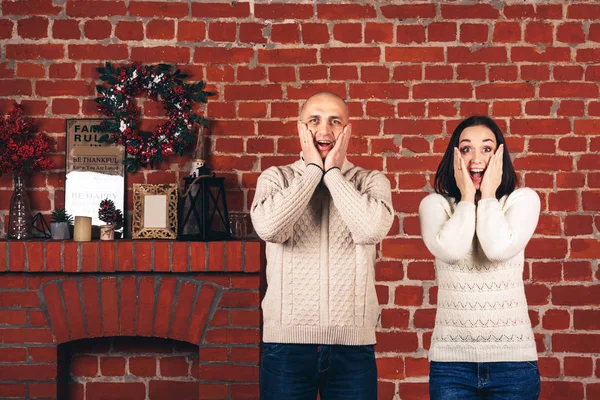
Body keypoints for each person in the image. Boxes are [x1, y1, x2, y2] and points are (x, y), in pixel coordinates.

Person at [251, 92, 394, 400]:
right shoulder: (276, 178)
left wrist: (332, 174)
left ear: (347, 131)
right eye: (314, 121)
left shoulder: (371, 181)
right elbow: (270, 228)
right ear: (301, 128)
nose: (324, 131)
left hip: (353, 349)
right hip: (286, 347)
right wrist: (313, 171)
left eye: (335, 122)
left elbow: (370, 229)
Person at [418, 116, 541, 399]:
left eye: (486, 149)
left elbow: (497, 249)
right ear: (454, 157)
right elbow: (452, 251)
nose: (476, 158)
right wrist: (465, 198)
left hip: (513, 364)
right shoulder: (435, 205)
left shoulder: (522, 200)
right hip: (451, 366)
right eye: (466, 149)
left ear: (500, 156)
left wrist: (486, 195)